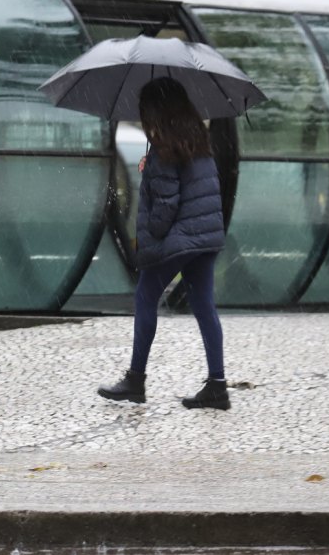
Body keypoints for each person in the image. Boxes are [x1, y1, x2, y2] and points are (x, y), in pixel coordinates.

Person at [98, 77, 230, 410]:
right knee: (203, 305)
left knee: (145, 296)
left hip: (180, 237)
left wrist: (152, 236)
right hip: (205, 236)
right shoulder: (198, 142)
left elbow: (167, 205)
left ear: (155, 114)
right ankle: (217, 385)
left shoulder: (165, 150)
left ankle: (135, 380)